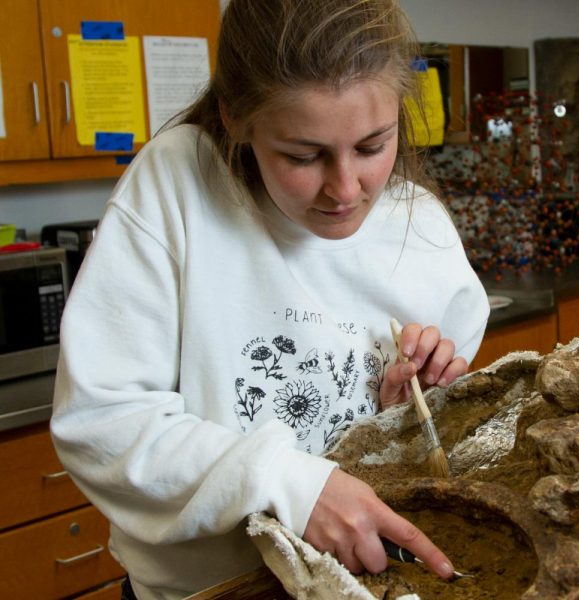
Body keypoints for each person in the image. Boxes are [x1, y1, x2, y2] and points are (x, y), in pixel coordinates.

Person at [49, 0, 490, 597]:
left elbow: (431, 465)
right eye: (302, 156)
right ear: (235, 118)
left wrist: (405, 411)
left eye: (371, 146)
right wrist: (289, 483)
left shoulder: (424, 230)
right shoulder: (179, 186)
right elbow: (102, 422)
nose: (345, 188)